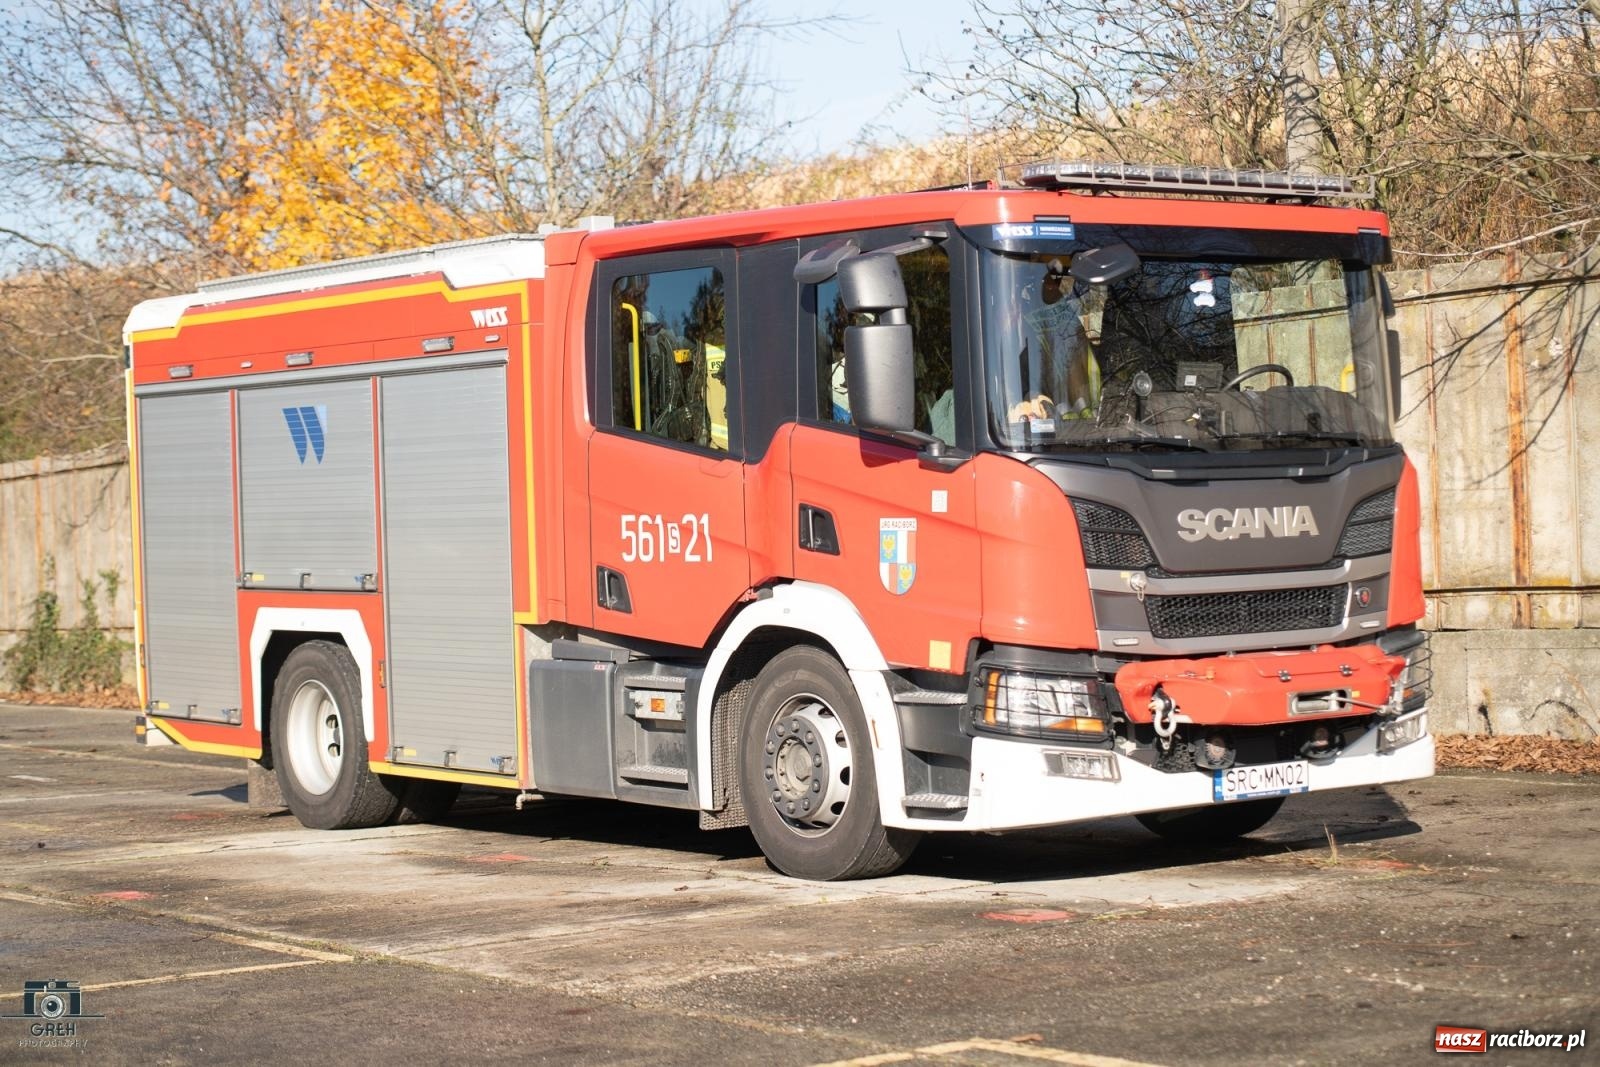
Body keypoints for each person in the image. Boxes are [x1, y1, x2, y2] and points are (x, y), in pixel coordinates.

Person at [1008, 258, 1099, 422]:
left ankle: (1082, 405)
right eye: (1046, 279)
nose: (1051, 284)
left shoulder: (1077, 299)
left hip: (1083, 392)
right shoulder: (1023, 302)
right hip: (1045, 385)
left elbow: (1088, 340)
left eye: (1056, 279)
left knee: (1073, 358)